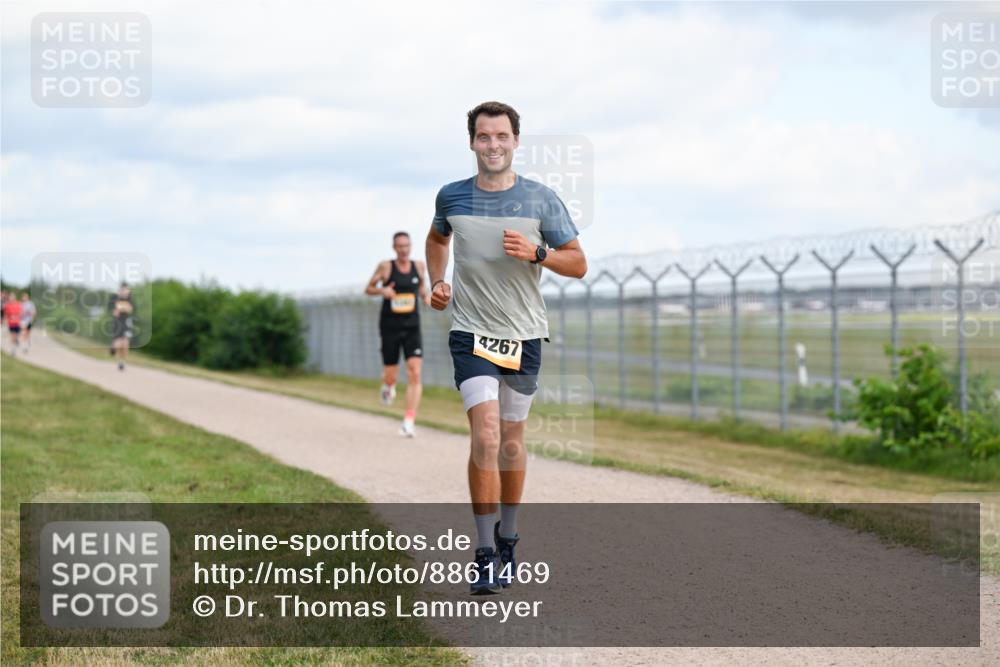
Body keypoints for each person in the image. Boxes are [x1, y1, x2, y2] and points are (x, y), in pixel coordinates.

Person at [425, 101, 587, 594]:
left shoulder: (541, 200)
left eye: (501, 136)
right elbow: (438, 239)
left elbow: (578, 263)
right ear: (471, 142)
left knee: (512, 444)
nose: (492, 145)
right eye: (482, 136)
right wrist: (436, 280)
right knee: (487, 438)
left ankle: (509, 538)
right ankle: (483, 553)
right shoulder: (451, 196)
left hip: (524, 336)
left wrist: (539, 253)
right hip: (470, 332)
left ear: (516, 141)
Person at [364, 231, 431, 437]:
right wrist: (382, 291)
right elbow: (368, 288)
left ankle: (409, 420)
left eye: (407, 246)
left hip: (412, 326)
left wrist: (428, 297)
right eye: (400, 246)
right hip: (390, 326)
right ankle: (388, 385)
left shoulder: (419, 266)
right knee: (391, 373)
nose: (404, 249)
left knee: (415, 371)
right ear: (395, 248)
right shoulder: (386, 267)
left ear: (411, 246)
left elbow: (422, 289)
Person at [109, 283, 134, 371]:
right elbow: (115, 313)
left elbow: (129, 310)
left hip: (126, 323)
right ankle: (114, 349)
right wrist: (122, 308)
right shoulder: (115, 299)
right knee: (119, 342)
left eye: (126, 290)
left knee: (125, 343)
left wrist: (121, 307)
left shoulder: (130, 299)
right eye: (123, 290)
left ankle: (122, 362)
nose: (125, 292)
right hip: (118, 324)